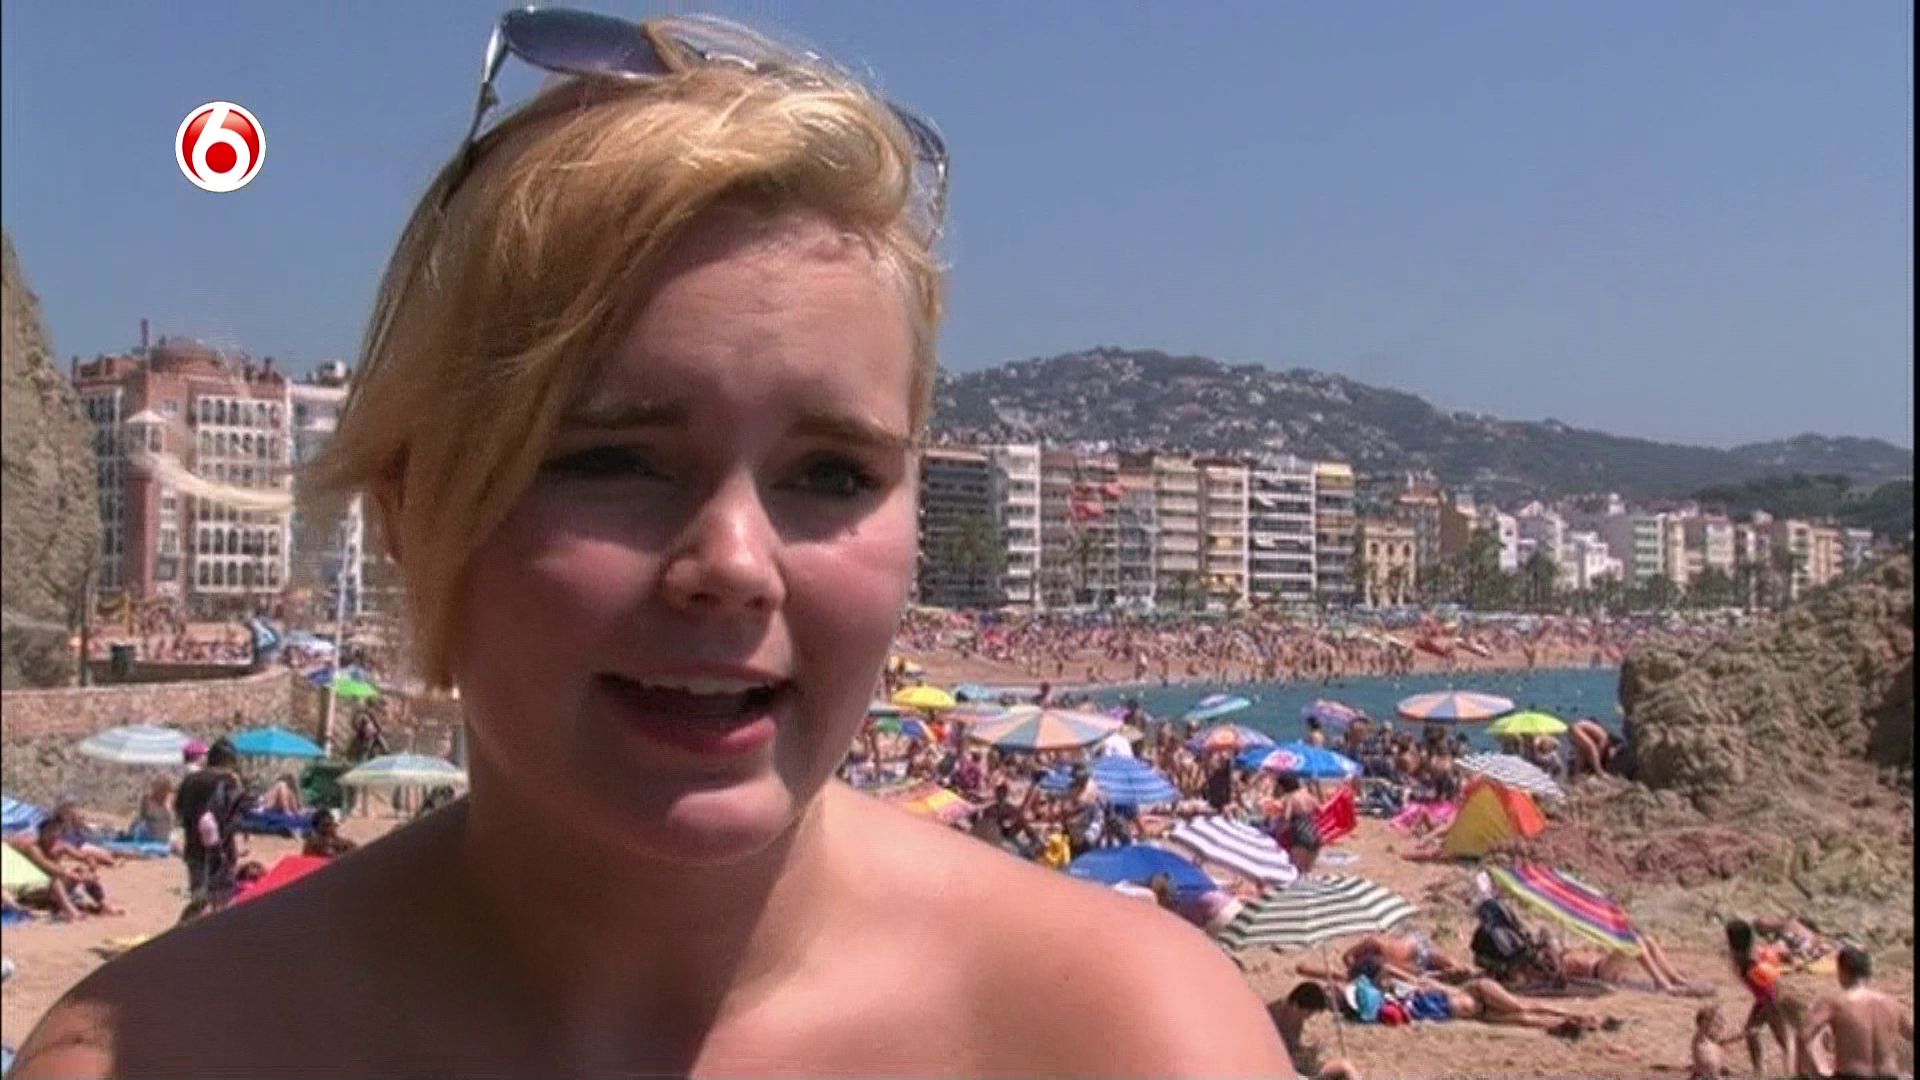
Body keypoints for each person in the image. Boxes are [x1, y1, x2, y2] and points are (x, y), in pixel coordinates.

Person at [16, 23, 1292, 1072]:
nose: (733, 564)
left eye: (833, 474)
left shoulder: (1130, 1038)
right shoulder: (161, 1053)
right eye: (614, 458)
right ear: (409, 507)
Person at [1798, 945, 1913, 1080]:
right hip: (1888, 1076)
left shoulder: (1834, 1003)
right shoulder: (1892, 1003)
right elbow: (1910, 1034)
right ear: (1868, 973)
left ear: (1843, 971)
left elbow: (1802, 1036)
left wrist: (1814, 1073)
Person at [173, 738, 250, 922]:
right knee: (221, 902)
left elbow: (179, 810)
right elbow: (237, 815)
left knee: (199, 900)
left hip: (193, 849)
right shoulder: (229, 781)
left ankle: (190, 934)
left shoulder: (190, 780)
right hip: (220, 851)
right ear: (230, 760)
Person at [1726, 918, 1798, 1077]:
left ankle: (1790, 1074)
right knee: (1752, 1033)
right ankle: (1759, 1072)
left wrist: (1768, 1012)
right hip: (1765, 999)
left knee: (1785, 1041)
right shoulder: (1746, 959)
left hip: (1772, 1001)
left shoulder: (1751, 966)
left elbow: (1771, 992)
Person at [1266, 983, 1362, 1080]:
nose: (1308, 1017)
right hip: (1281, 1070)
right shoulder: (1272, 1017)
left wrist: (1306, 1053)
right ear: (1296, 1005)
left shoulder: (1294, 1016)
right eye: (1309, 1012)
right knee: (1344, 1067)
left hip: (1292, 1067)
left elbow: (1291, 1047)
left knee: (1344, 1066)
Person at [124, 777, 177, 848]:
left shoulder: (168, 803)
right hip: (151, 834)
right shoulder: (148, 799)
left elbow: (170, 824)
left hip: (160, 837)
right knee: (139, 825)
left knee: (140, 826)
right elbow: (141, 817)